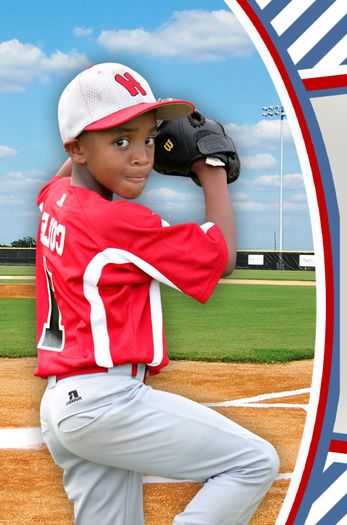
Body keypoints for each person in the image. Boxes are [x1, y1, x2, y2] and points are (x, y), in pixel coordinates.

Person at [35, 62, 279, 525]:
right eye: (120, 140)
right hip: (108, 404)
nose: (142, 155)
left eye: (147, 137)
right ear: (78, 148)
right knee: (252, 462)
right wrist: (210, 171)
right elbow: (220, 257)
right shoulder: (118, 221)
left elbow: (64, 174)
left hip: (65, 406)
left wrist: (103, 144)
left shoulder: (56, 199)